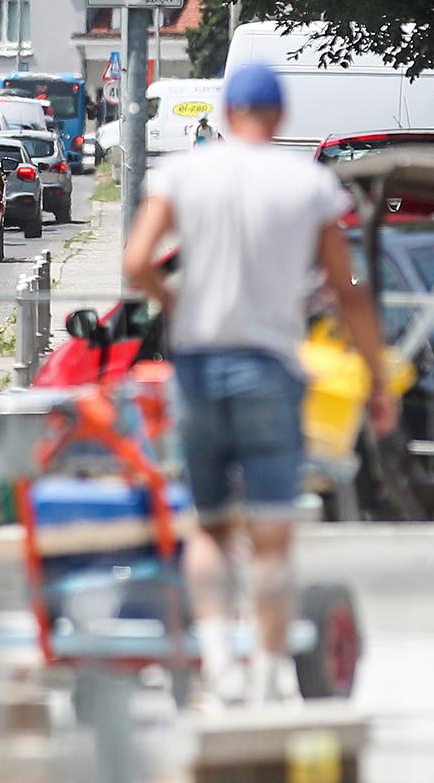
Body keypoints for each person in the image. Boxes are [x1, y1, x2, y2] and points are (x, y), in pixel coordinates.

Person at [122, 63, 396, 706]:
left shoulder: (182, 175)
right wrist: (377, 378)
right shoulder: (308, 184)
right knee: (272, 539)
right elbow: (347, 291)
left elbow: (136, 263)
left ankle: (219, 663)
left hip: (198, 367)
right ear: (281, 118)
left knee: (210, 528)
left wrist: (173, 303)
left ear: (224, 115)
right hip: (271, 368)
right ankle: (271, 673)